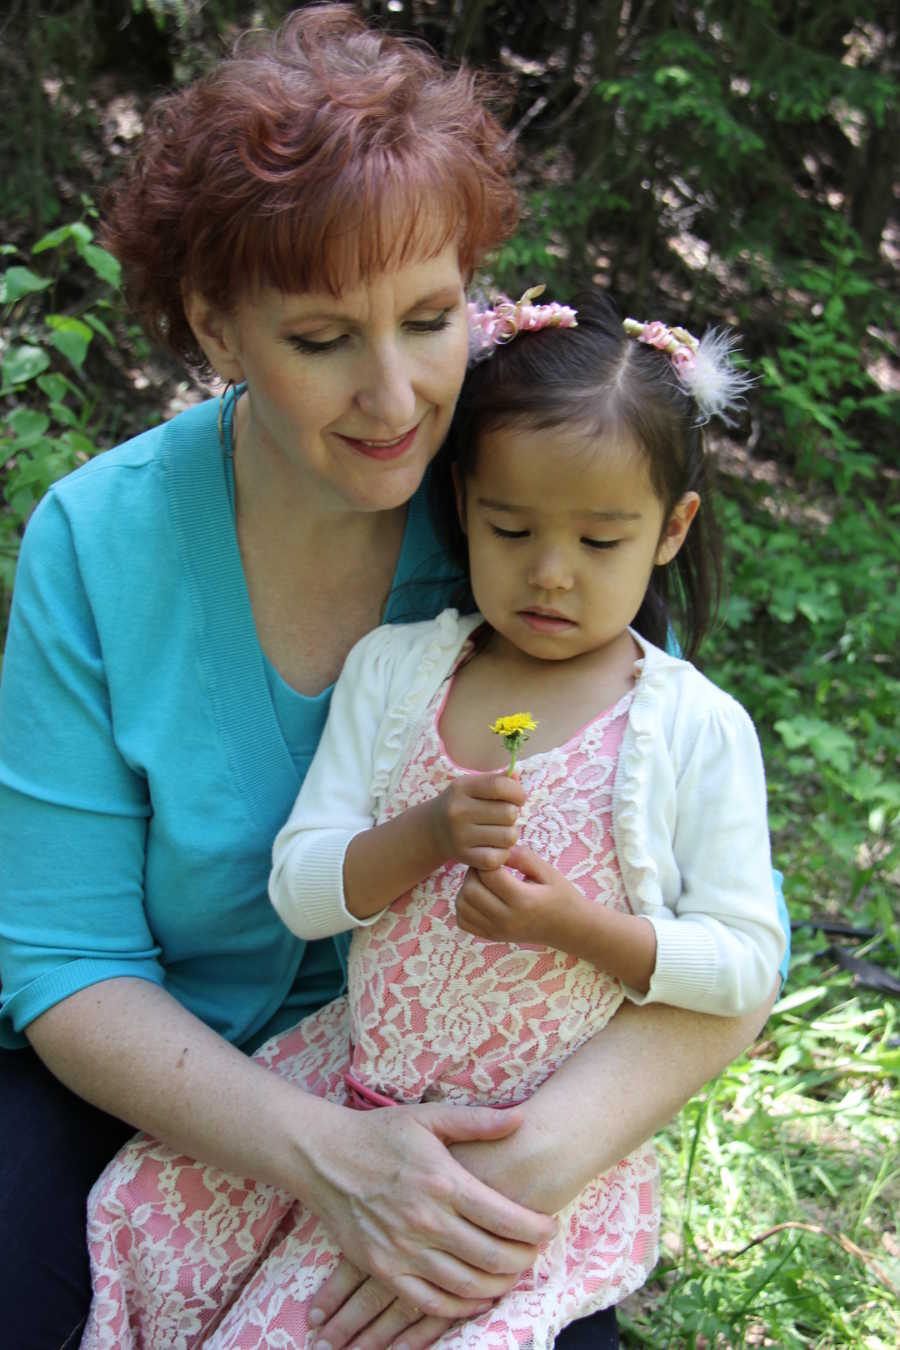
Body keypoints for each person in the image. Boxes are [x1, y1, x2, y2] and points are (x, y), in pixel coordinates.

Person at [0, 8, 787, 1350]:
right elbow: (65, 965)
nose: (398, 395)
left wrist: (520, 1165)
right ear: (215, 325)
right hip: (158, 1089)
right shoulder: (100, 541)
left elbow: (725, 951)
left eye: (430, 318)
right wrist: (328, 1155)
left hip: (491, 1095)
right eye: (321, 339)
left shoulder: (528, 496)